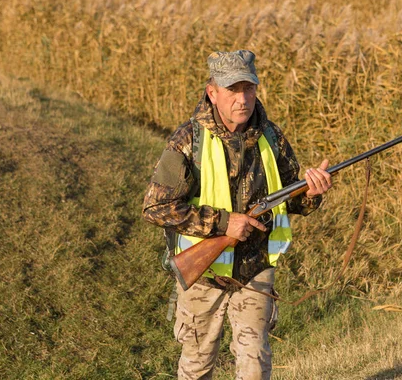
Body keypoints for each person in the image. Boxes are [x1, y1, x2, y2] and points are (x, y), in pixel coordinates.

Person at [142, 50, 331, 380]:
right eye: (233, 90)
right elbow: (156, 208)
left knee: (255, 364)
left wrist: (312, 194)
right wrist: (224, 223)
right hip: (203, 273)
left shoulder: (272, 137)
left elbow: (293, 200)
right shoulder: (188, 140)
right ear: (212, 92)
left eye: (249, 88)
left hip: (255, 269)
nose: (242, 99)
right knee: (197, 364)